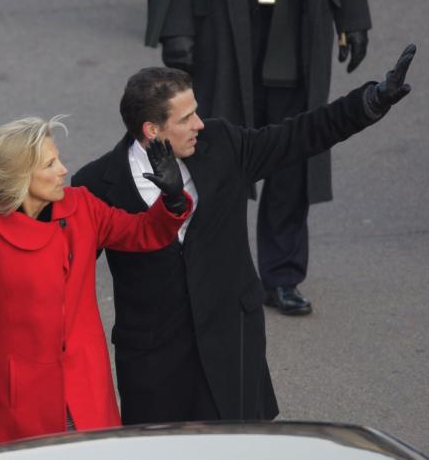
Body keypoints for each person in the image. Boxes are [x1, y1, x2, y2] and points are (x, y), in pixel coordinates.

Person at [72, 47, 414, 424]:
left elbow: (298, 135)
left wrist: (368, 103)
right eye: (187, 118)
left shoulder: (223, 144)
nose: (200, 123)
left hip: (231, 344)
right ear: (153, 130)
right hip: (154, 363)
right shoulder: (97, 184)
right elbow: (65, 274)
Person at [0, 116, 193, 446]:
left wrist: (173, 200)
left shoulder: (82, 206)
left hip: (86, 386)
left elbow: (143, 232)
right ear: (21, 175)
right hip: (22, 398)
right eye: (50, 163)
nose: (63, 169)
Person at [145, 0, 372, 314]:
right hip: (221, 19)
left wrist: (353, 16)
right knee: (216, 155)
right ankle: (212, 272)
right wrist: (176, 26)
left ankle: (282, 275)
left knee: (297, 151)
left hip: (297, 18)